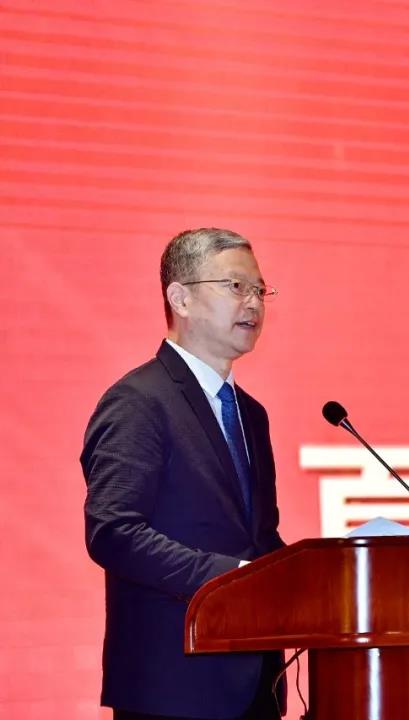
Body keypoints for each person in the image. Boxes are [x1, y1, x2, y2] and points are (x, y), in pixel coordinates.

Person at [81, 228, 286, 719]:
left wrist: (313, 577)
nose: (253, 303)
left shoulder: (250, 414)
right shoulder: (138, 400)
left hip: (256, 681)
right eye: (235, 286)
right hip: (173, 686)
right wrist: (232, 579)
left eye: (260, 289)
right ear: (181, 298)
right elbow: (113, 532)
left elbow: (259, 538)